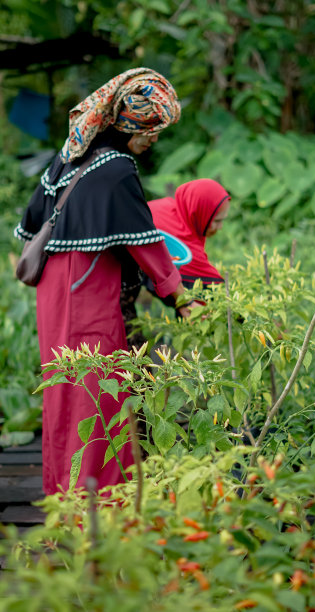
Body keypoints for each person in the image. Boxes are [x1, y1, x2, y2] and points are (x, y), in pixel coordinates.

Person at [14, 67, 195, 495]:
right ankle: (102, 505)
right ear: (130, 125)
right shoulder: (117, 169)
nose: (153, 139)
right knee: (99, 396)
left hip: (54, 294)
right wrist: (181, 296)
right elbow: (146, 244)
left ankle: (66, 496)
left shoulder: (68, 157)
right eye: (151, 129)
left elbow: (29, 225)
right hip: (87, 292)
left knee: (64, 393)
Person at [147, 179, 231, 291]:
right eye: (216, 221)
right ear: (199, 212)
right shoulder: (184, 243)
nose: (220, 227)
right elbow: (215, 289)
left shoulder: (168, 206)